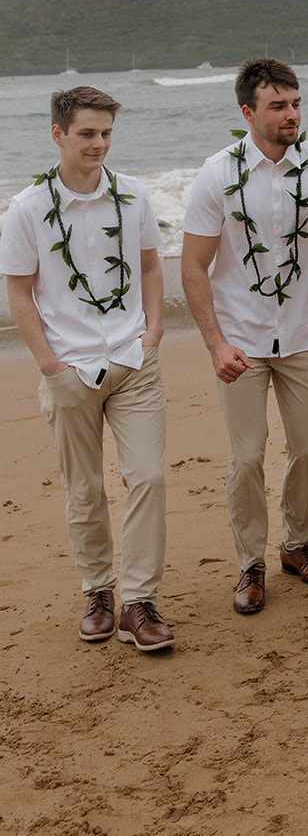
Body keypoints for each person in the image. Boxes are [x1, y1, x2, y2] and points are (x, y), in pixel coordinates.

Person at [182, 59, 308, 615]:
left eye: (295, 104)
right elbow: (194, 266)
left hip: (306, 335)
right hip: (239, 341)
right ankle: (250, 563)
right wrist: (216, 344)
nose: (291, 114)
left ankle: (297, 545)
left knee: (307, 450)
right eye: (278, 106)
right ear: (248, 112)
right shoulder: (217, 173)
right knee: (246, 457)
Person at [0, 87, 175, 651]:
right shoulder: (27, 208)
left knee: (148, 475)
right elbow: (20, 293)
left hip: (132, 360)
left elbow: (150, 265)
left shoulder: (132, 197)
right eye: (87, 134)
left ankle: (139, 601)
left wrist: (152, 331)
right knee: (85, 488)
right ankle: (99, 591)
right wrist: (50, 364)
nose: (99, 144)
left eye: (105, 134)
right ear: (58, 134)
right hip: (69, 368)